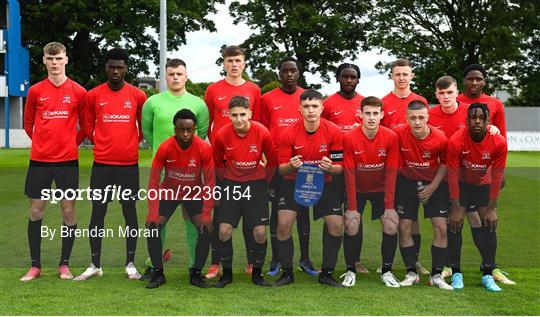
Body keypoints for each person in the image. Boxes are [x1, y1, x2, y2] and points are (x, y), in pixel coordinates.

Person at [75, 48, 147, 280]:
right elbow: (87, 127)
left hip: (128, 166)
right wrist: (104, 144)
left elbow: (143, 128)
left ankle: (130, 264)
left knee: (130, 213)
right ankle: (95, 264)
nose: (115, 71)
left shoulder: (138, 96)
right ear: (106, 67)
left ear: (126, 69)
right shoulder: (93, 95)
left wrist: (127, 144)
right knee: (98, 213)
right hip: (102, 166)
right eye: (111, 67)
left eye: (120, 67)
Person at [21, 42, 87, 281]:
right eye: (50, 59)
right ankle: (35, 266)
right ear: (44, 61)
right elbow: (28, 124)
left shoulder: (79, 91)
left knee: (68, 210)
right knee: (36, 210)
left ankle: (64, 265)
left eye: (58, 58)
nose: (55, 63)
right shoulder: (36, 91)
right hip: (39, 161)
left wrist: (70, 143)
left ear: (66, 60)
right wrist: (42, 143)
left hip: (67, 162)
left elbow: (87, 126)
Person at [141, 58, 209, 280]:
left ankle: (194, 267)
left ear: (186, 75)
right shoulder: (152, 102)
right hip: (163, 173)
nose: (175, 77)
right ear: (165, 76)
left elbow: (201, 133)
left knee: (193, 221)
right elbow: (148, 134)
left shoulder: (198, 104)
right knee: (157, 222)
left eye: (179, 74)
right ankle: (154, 266)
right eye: (171, 74)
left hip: (191, 176)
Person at [274, 89, 344, 288]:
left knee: (337, 225)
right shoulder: (288, 132)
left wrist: (331, 167)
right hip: (293, 182)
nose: (311, 110)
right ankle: (287, 273)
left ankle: (327, 273)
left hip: (324, 182)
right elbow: (281, 169)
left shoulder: (334, 131)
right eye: (306, 106)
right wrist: (292, 165)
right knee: (283, 224)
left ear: (322, 108)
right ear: (300, 109)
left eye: (315, 106)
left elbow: (340, 168)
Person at [204, 45, 261, 277]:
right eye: (230, 61)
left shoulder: (254, 89)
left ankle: (250, 262)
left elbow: (258, 126)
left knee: (249, 214)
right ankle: (216, 263)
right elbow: (206, 125)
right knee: (220, 216)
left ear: (244, 62)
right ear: (224, 63)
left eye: (238, 60)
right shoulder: (213, 90)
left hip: (247, 166)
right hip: (222, 165)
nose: (234, 64)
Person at [259, 57, 317, 277]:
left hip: (305, 167)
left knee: (303, 212)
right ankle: (276, 260)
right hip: (277, 166)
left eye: (293, 70)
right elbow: (263, 131)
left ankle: (305, 259)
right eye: (285, 71)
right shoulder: (267, 99)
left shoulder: (307, 97)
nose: (289, 75)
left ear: (298, 73)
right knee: (278, 214)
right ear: (279, 74)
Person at [144, 109, 214, 289]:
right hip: (169, 192)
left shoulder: (203, 148)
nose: (185, 134)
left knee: (206, 228)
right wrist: (152, 212)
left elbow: (210, 182)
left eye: (189, 130)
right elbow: (153, 180)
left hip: (193, 193)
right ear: (175, 129)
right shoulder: (166, 147)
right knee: (152, 228)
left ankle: (196, 274)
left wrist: (206, 213)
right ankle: (158, 274)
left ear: (195, 129)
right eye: (181, 129)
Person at [212, 96, 276, 288]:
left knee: (259, 233)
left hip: (256, 185)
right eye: (234, 115)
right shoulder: (222, 135)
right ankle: (227, 275)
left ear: (249, 113)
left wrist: (268, 185)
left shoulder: (262, 132)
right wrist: (222, 187)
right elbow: (216, 165)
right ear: (229, 116)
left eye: (242, 114)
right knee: (223, 231)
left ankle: (257, 274)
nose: (239, 119)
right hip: (231, 186)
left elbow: (272, 161)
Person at [447, 103, 508, 292]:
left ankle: (488, 274)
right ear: (467, 120)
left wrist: (491, 208)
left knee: (488, 223)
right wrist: (456, 208)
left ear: (488, 120)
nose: (477, 121)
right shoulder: (456, 140)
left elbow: (498, 175)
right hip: (462, 185)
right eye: (473, 117)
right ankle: (456, 272)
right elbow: (452, 174)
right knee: (454, 224)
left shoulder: (498, 142)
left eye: (482, 118)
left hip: (483, 185)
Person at [341, 96, 400, 287]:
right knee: (351, 224)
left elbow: (391, 173)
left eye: (376, 113)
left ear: (382, 115)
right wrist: (351, 207)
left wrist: (389, 207)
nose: (372, 117)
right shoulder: (349, 137)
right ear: (360, 115)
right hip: (357, 188)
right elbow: (349, 173)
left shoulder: (391, 137)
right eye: (368, 113)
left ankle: (387, 271)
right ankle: (350, 270)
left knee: (391, 225)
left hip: (381, 189)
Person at [394, 100, 453, 290]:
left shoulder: (441, 138)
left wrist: (432, 187)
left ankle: (436, 275)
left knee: (441, 227)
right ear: (407, 118)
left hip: (434, 183)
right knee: (404, 226)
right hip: (406, 183)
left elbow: (444, 164)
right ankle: (411, 272)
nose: (417, 122)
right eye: (412, 118)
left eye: (421, 117)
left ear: (428, 117)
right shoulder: (398, 135)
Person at [380, 58, 430, 275]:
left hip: (417, 170)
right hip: (393, 172)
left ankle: (415, 261)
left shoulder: (420, 100)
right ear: (392, 76)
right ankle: (387, 262)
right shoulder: (383, 102)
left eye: (405, 74)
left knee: (414, 218)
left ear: (412, 76)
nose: (401, 78)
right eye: (397, 74)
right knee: (391, 217)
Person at [323, 62, 369, 275]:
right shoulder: (329, 103)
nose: (349, 80)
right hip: (333, 166)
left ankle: (355, 261)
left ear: (358, 79)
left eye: (353, 77)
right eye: (345, 76)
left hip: (357, 168)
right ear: (338, 78)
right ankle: (327, 262)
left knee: (354, 215)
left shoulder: (364, 104)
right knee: (331, 216)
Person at [457, 64, 507, 137]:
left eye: (479, 79)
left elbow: (501, 136)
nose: (474, 83)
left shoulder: (496, 103)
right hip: (459, 147)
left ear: (484, 82)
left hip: (486, 148)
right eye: (470, 79)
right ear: (464, 81)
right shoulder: (454, 102)